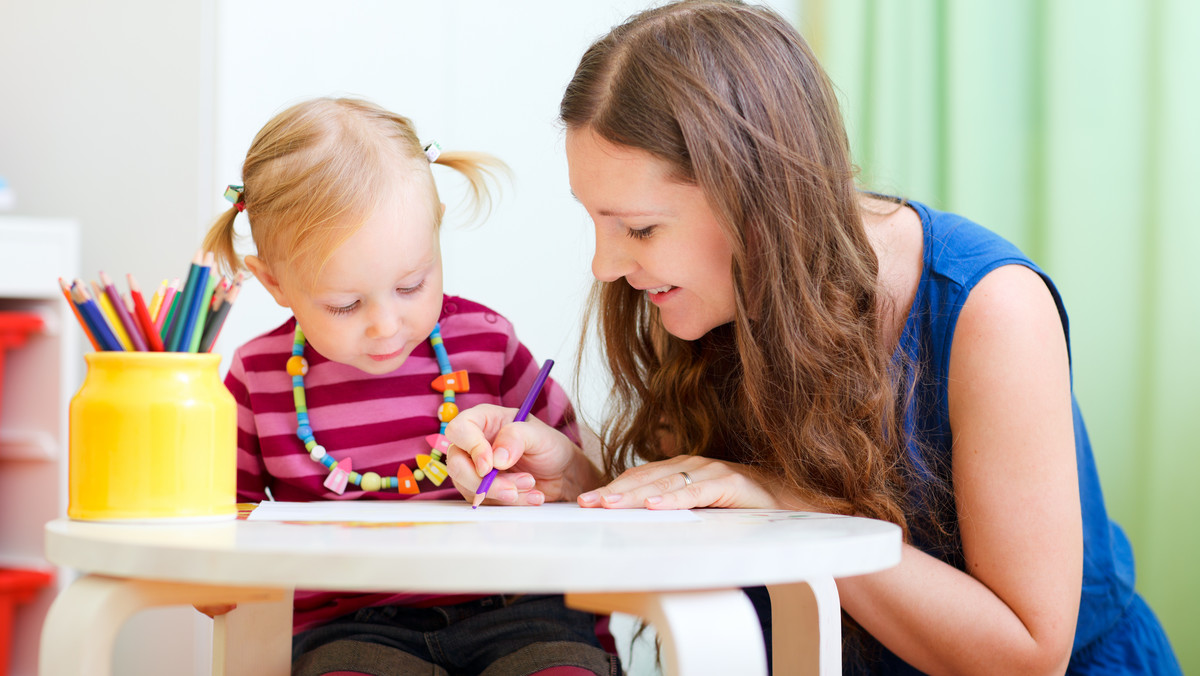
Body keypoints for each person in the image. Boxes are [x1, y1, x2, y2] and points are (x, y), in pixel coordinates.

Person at [441, 2, 1182, 674]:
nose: (605, 265)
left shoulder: (991, 309)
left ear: (755, 200)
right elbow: (718, 507)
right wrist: (581, 480)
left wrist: (783, 507)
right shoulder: (708, 300)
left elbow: (1026, 656)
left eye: (638, 228)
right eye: (595, 220)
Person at [203, 97, 618, 676]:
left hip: (521, 608)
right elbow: (219, 522)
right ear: (274, 282)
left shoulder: (487, 345)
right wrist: (213, 569)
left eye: (411, 285)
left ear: (437, 232)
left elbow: (588, 489)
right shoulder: (257, 378)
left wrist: (536, 485)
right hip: (349, 630)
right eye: (344, 304)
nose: (385, 324)